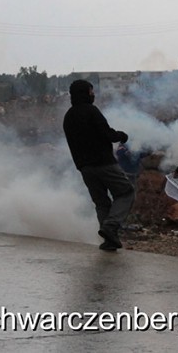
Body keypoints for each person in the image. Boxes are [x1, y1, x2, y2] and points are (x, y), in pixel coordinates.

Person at [63, 79, 135, 251]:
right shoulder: (91, 111)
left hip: (85, 168)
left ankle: (109, 240)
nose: (93, 94)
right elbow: (107, 134)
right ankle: (111, 226)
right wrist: (122, 136)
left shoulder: (68, 116)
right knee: (126, 192)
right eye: (91, 91)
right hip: (104, 163)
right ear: (85, 93)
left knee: (102, 203)